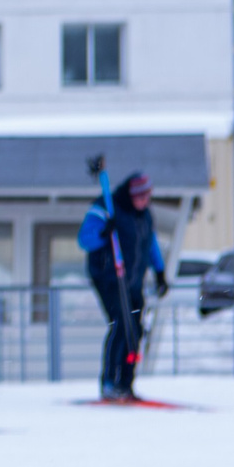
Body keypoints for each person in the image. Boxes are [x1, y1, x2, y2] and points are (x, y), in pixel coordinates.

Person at [81, 168, 165, 401]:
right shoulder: (106, 208)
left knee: (135, 329)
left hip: (132, 280)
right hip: (109, 277)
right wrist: (104, 234)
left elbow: (151, 244)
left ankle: (126, 383)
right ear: (131, 195)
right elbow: (84, 240)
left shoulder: (145, 216)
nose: (144, 202)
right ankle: (109, 381)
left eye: (147, 197)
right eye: (140, 197)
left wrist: (160, 272)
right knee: (120, 323)